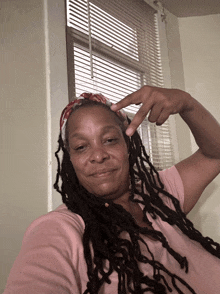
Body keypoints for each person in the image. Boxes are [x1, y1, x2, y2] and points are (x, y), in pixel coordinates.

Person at [3, 86, 220, 294]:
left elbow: (215, 154)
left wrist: (187, 103)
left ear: (128, 145)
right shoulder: (59, 230)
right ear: (70, 160)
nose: (98, 156)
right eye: (81, 147)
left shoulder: (158, 192)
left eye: (109, 140)